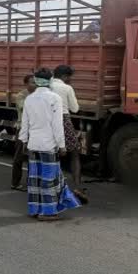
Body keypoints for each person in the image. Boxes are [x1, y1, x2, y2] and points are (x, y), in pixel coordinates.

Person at [19, 68, 81, 221]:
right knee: (48, 179)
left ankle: (34, 209)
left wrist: (23, 141)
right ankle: (47, 212)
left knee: (34, 178)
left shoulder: (29, 99)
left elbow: (25, 124)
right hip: (48, 145)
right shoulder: (54, 98)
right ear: (50, 80)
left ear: (37, 80)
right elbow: (57, 125)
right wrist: (62, 146)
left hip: (33, 143)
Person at [50, 65, 87, 202]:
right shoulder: (67, 88)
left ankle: (52, 186)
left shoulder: (47, 86)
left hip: (47, 121)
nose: (70, 80)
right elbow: (75, 109)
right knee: (74, 153)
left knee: (51, 154)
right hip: (63, 120)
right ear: (65, 76)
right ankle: (77, 187)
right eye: (70, 77)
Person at [12, 74, 37, 191]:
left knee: (33, 158)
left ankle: (30, 183)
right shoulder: (21, 95)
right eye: (32, 82)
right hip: (23, 129)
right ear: (26, 84)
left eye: (36, 82)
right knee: (19, 157)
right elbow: (26, 107)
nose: (35, 84)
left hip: (35, 130)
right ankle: (15, 183)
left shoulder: (39, 95)